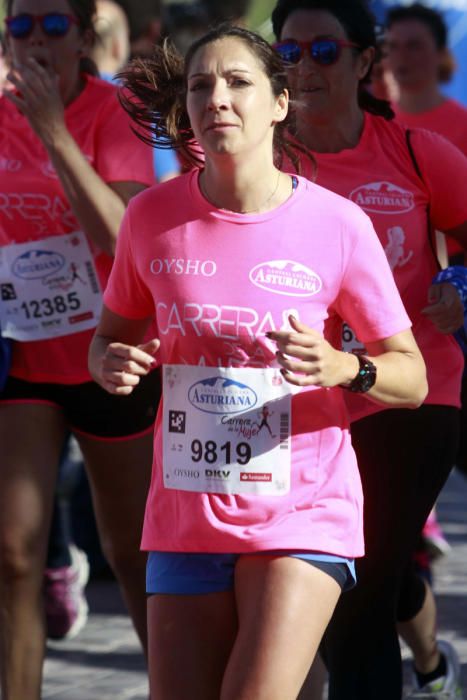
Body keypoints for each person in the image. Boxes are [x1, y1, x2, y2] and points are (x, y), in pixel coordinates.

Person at [89, 23, 427, 700]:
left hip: (301, 507)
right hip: (186, 512)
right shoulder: (151, 218)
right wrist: (112, 364)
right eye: (199, 86)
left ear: (278, 102)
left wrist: (343, 368)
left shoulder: (335, 224)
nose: (216, 98)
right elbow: (109, 337)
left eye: (237, 82)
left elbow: (409, 375)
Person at [271, 1, 467, 698]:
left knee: (351, 593)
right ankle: (428, 657)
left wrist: (460, 285)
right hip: (295, 404)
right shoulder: (254, 162)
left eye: (323, 52)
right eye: (288, 53)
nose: (303, 68)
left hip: (405, 394)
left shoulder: (416, 153)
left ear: (362, 62)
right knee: (354, 576)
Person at [0, 1, 156, 698]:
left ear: (84, 36)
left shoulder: (115, 111)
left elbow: (126, 242)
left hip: (112, 355)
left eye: (53, 25)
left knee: (130, 554)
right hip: (20, 360)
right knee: (12, 553)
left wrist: (54, 134)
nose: (36, 39)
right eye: (21, 24)